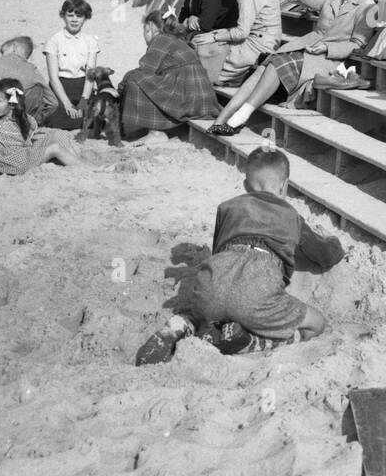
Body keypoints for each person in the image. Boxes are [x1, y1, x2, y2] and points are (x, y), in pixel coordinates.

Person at [134, 149, 344, 363]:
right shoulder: (291, 216)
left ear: (245, 186)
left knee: (201, 311)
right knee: (317, 323)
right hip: (257, 293)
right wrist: (335, 245)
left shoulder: (227, 208)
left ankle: (181, 325)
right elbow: (325, 254)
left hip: (212, 284)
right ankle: (251, 341)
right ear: (284, 186)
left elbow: (218, 250)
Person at [208, 0, 375, 135]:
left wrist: (326, 47)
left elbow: (357, 44)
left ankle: (238, 118)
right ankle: (221, 119)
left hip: (330, 59)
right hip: (306, 49)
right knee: (264, 68)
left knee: (276, 63)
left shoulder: (367, 7)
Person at [119, 11, 220, 137]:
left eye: (144, 30)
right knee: (141, 78)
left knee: (135, 79)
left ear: (150, 26)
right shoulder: (175, 38)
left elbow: (146, 69)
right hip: (200, 96)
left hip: (187, 94)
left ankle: (155, 132)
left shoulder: (161, 39)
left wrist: (122, 85)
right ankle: (152, 127)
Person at [192, 0, 281, 85]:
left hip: (257, 47)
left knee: (208, 61)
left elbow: (242, 32)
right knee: (212, 46)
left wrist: (214, 35)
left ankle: (227, 80)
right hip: (270, 42)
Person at [0, 79, 84, 176]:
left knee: (57, 135)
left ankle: (77, 163)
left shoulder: (24, 120)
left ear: (12, 104)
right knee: (55, 148)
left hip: (21, 158)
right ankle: (88, 168)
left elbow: (26, 143)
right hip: (7, 163)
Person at [0, 36, 58, 123]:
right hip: (14, 118)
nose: (2, 55)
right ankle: (21, 126)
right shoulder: (33, 71)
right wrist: (37, 120)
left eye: (3, 51)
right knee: (37, 89)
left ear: (14, 47)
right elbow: (53, 103)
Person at [41, 0, 100, 130]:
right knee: (58, 120)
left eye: (79, 16)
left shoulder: (90, 41)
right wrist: (67, 104)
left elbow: (90, 76)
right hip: (61, 87)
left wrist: (83, 103)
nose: (74, 20)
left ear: (85, 18)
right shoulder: (54, 41)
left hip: (83, 87)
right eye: (70, 15)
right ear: (63, 16)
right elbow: (53, 77)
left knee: (91, 120)